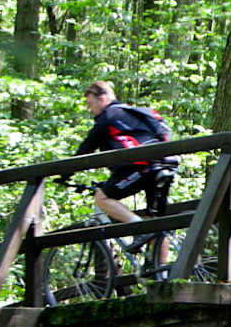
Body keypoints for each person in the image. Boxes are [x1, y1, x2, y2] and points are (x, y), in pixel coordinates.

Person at [72, 81, 177, 257]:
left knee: (102, 197)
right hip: (165, 165)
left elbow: (86, 148)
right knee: (156, 224)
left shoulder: (109, 116)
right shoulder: (133, 113)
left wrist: (66, 172)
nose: (89, 110)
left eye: (90, 104)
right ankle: (162, 274)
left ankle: (139, 228)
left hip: (143, 166)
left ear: (103, 99)